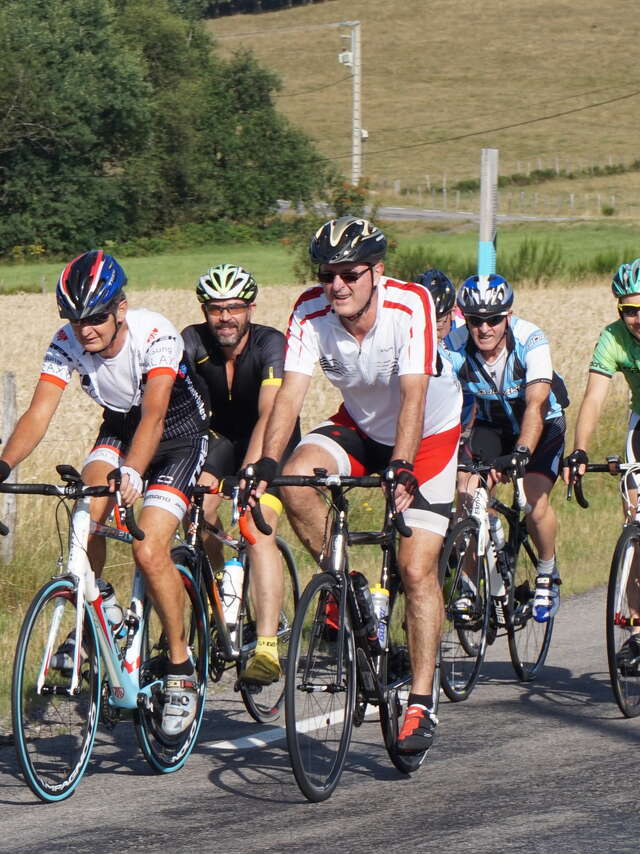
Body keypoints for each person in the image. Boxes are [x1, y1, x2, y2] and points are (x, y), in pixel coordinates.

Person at [246, 216, 462, 755]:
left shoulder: (409, 305)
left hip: (428, 435)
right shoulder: (308, 311)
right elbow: (290, 397)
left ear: (377, 272)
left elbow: (414, 394)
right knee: (296, 480)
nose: (337, 284)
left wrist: (405, 466)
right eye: (327, 273)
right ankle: (352, 585)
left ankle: (420, 698)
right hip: (363, 426)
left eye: (350, 273)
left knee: (415, 567)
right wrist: (265, 465)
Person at [0, 250, 209, 737]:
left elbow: (155, 414)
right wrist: (3, 465)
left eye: (94, 317)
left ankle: (180, 666)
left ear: (121, 308)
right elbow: (37, 414)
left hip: (177, 437)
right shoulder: (66, 342)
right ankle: (104, 607)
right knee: (85, 507)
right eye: (74, 319)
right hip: (119, 428)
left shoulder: (155, 333)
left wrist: (135, 472)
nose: (84, 329)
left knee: (148, 547)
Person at [181, 263, 300, 687]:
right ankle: (223, 589)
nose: (225, 317)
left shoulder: (271, 344)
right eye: (216, 309)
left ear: (249, 307)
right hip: (220, 441)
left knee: (255, 526)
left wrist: (251, 474)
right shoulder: (191, 342)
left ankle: (266, 647)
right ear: (204, 309)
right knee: (195, 511)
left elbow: (269, 414)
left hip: (270, 442)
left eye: (234, 307)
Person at [447, 273, 568, 623]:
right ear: (464, 318)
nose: (484, 328)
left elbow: (537, 404)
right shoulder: (454, 345)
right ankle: (469, 585)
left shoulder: (531, 339)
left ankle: (547, 572)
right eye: (475, 320)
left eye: (494, 319)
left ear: (508, 316)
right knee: (468, 494)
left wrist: (522, 453)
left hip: (542, 425)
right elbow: (435, 398)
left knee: (532, 500)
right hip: (493, 425)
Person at [563, 259, 640, 670]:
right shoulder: (613, 339)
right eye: (629, 310)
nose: (638, 318)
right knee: (634, 522)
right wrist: (580, 450)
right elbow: (594, 398)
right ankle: (637, 632)